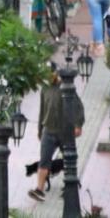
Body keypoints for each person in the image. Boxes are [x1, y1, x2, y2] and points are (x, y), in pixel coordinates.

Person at [29, 63, 84, 202]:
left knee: (69, 159)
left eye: (50, 74)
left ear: (56, 73)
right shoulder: (45, 89)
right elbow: (42, 110)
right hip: (48, 130)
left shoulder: (65, 86)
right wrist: (40, 130)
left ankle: (71, 186)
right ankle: (39, 190)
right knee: (44, 160)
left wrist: (78, 125)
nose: (48, 77)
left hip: (65, 130)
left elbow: (78, 106)